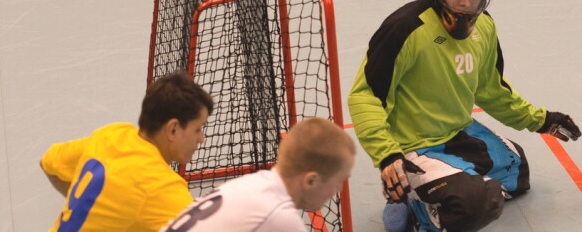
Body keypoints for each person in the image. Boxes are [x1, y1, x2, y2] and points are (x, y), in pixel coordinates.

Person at [348, 0, 582, 232]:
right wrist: (387, 155)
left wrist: (541, 120)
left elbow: (492, 89)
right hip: (413, 145)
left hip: (458, 132)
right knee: (481, 202)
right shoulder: (404, 28)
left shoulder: (484, 26)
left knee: (518, 172)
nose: (464, 2)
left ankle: (436, 187)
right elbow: (365, 97)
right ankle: (413, 210)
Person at [41, 70, 213, 231]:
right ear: (173, 129)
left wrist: (94, 206)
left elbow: (48, 162)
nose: (201, 138)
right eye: (197, 129)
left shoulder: (111, 135)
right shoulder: (159, 188)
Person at [159, 117, 357, 232]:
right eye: (338, 181)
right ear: (311, 180)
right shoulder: (281, 217)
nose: (338, 189)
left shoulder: (250, 184)